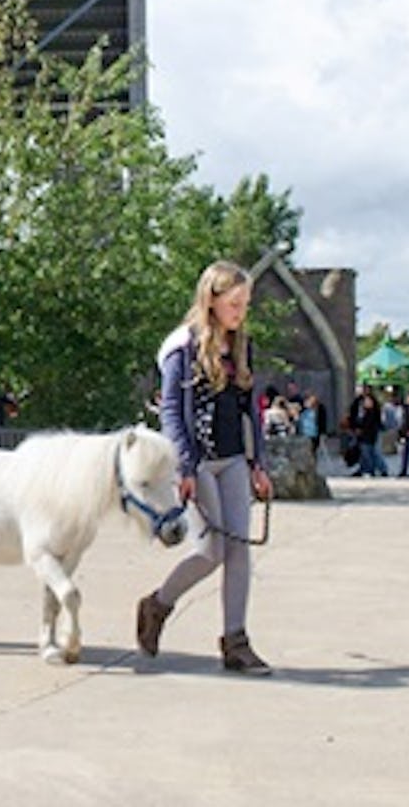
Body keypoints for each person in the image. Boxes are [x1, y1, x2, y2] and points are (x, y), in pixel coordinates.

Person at [137, 260, 274, 674]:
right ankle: (157, 605)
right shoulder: (183, 346)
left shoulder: (242, 346)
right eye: (234, 303)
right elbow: (173, 413)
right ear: (212, 300)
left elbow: (249, 409)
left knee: (239, 551)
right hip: (197, 462)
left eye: (245, 303)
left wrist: (258, 463)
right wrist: (185, 469)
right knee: (211, 551)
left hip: (233, 458)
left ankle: (236, 641)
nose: (240, 311)